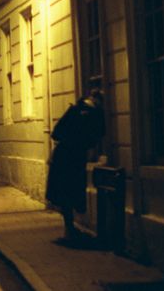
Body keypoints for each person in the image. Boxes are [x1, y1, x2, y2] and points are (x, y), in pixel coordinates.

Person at [46, 89, 105, 242]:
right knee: (73, 191)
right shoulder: (97, 115)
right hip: (77, 157)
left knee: (64, 193)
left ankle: (69, 230)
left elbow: (56, 133)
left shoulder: (73, 110)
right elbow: (99, 135)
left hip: (63, 155)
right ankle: (70, 231)